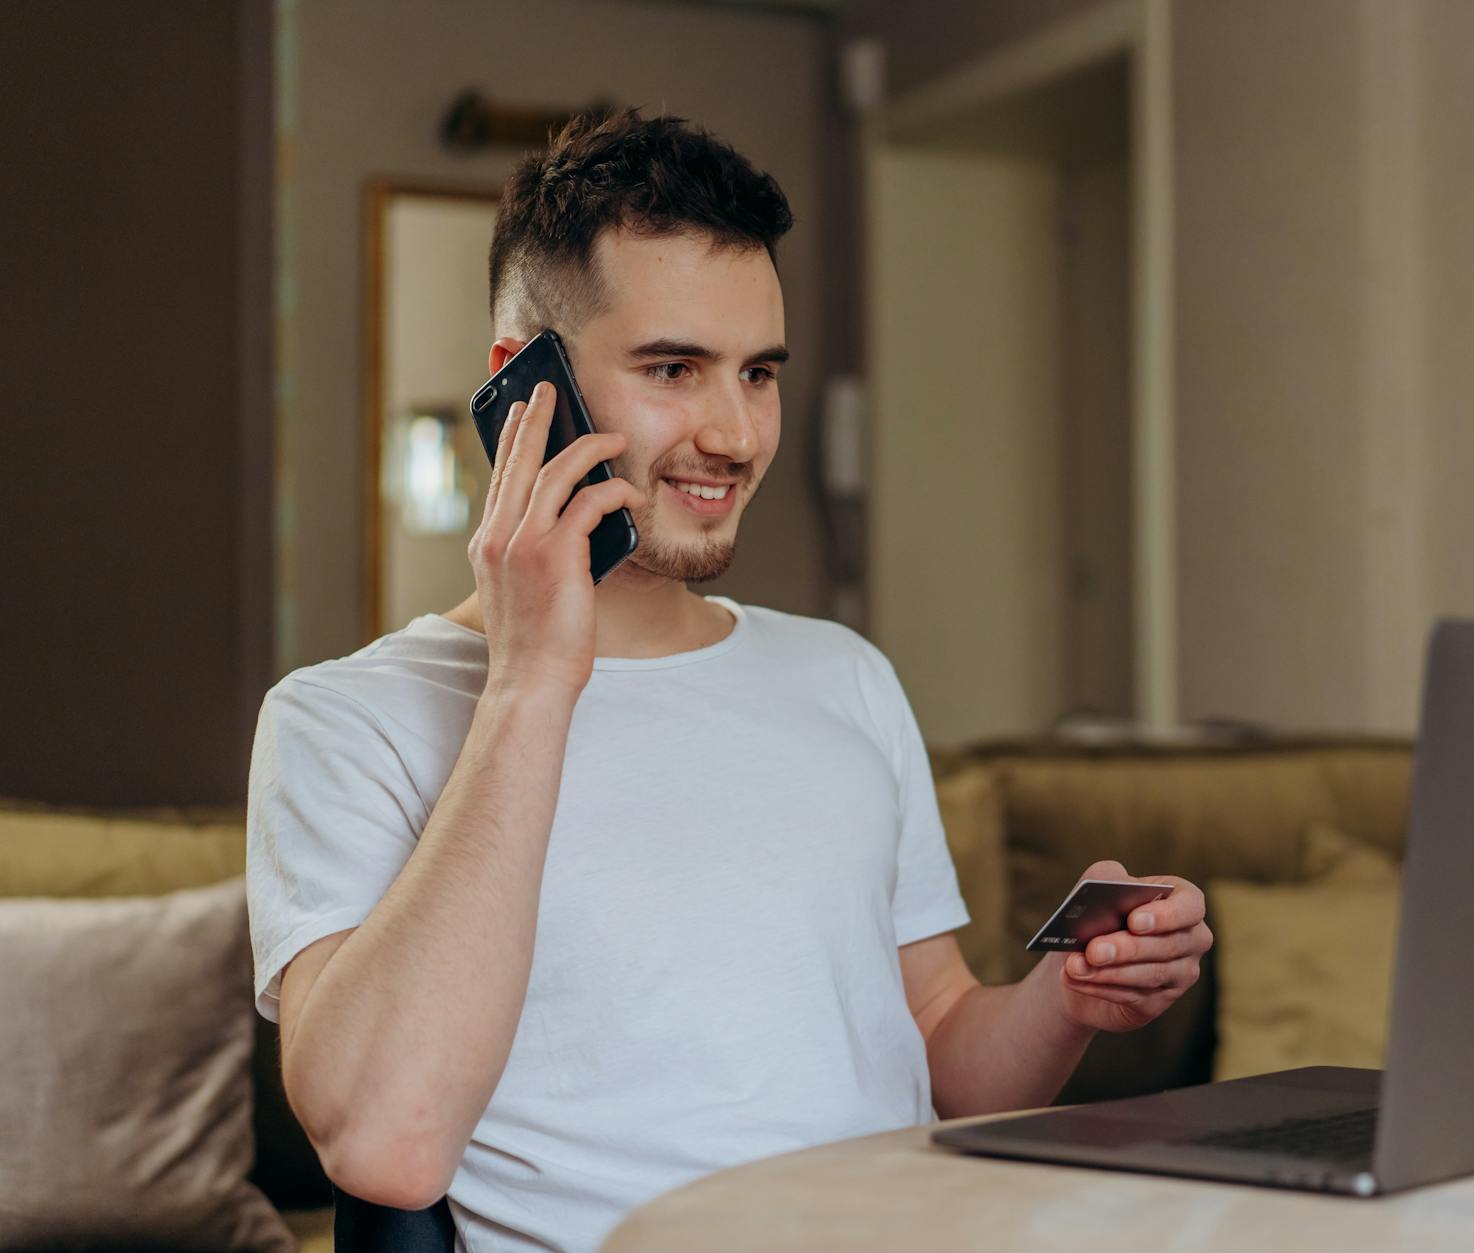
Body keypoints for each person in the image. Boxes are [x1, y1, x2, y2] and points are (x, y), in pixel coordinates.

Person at [245, 107, 1210, 1253]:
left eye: (757, 373)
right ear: (525, 384)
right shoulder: (346, 719)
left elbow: (944, 1050)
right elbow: (384, 1144)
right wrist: (530, 684)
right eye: (672, 368)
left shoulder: (841, 676)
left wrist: (1066, 1000)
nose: (736, 433)